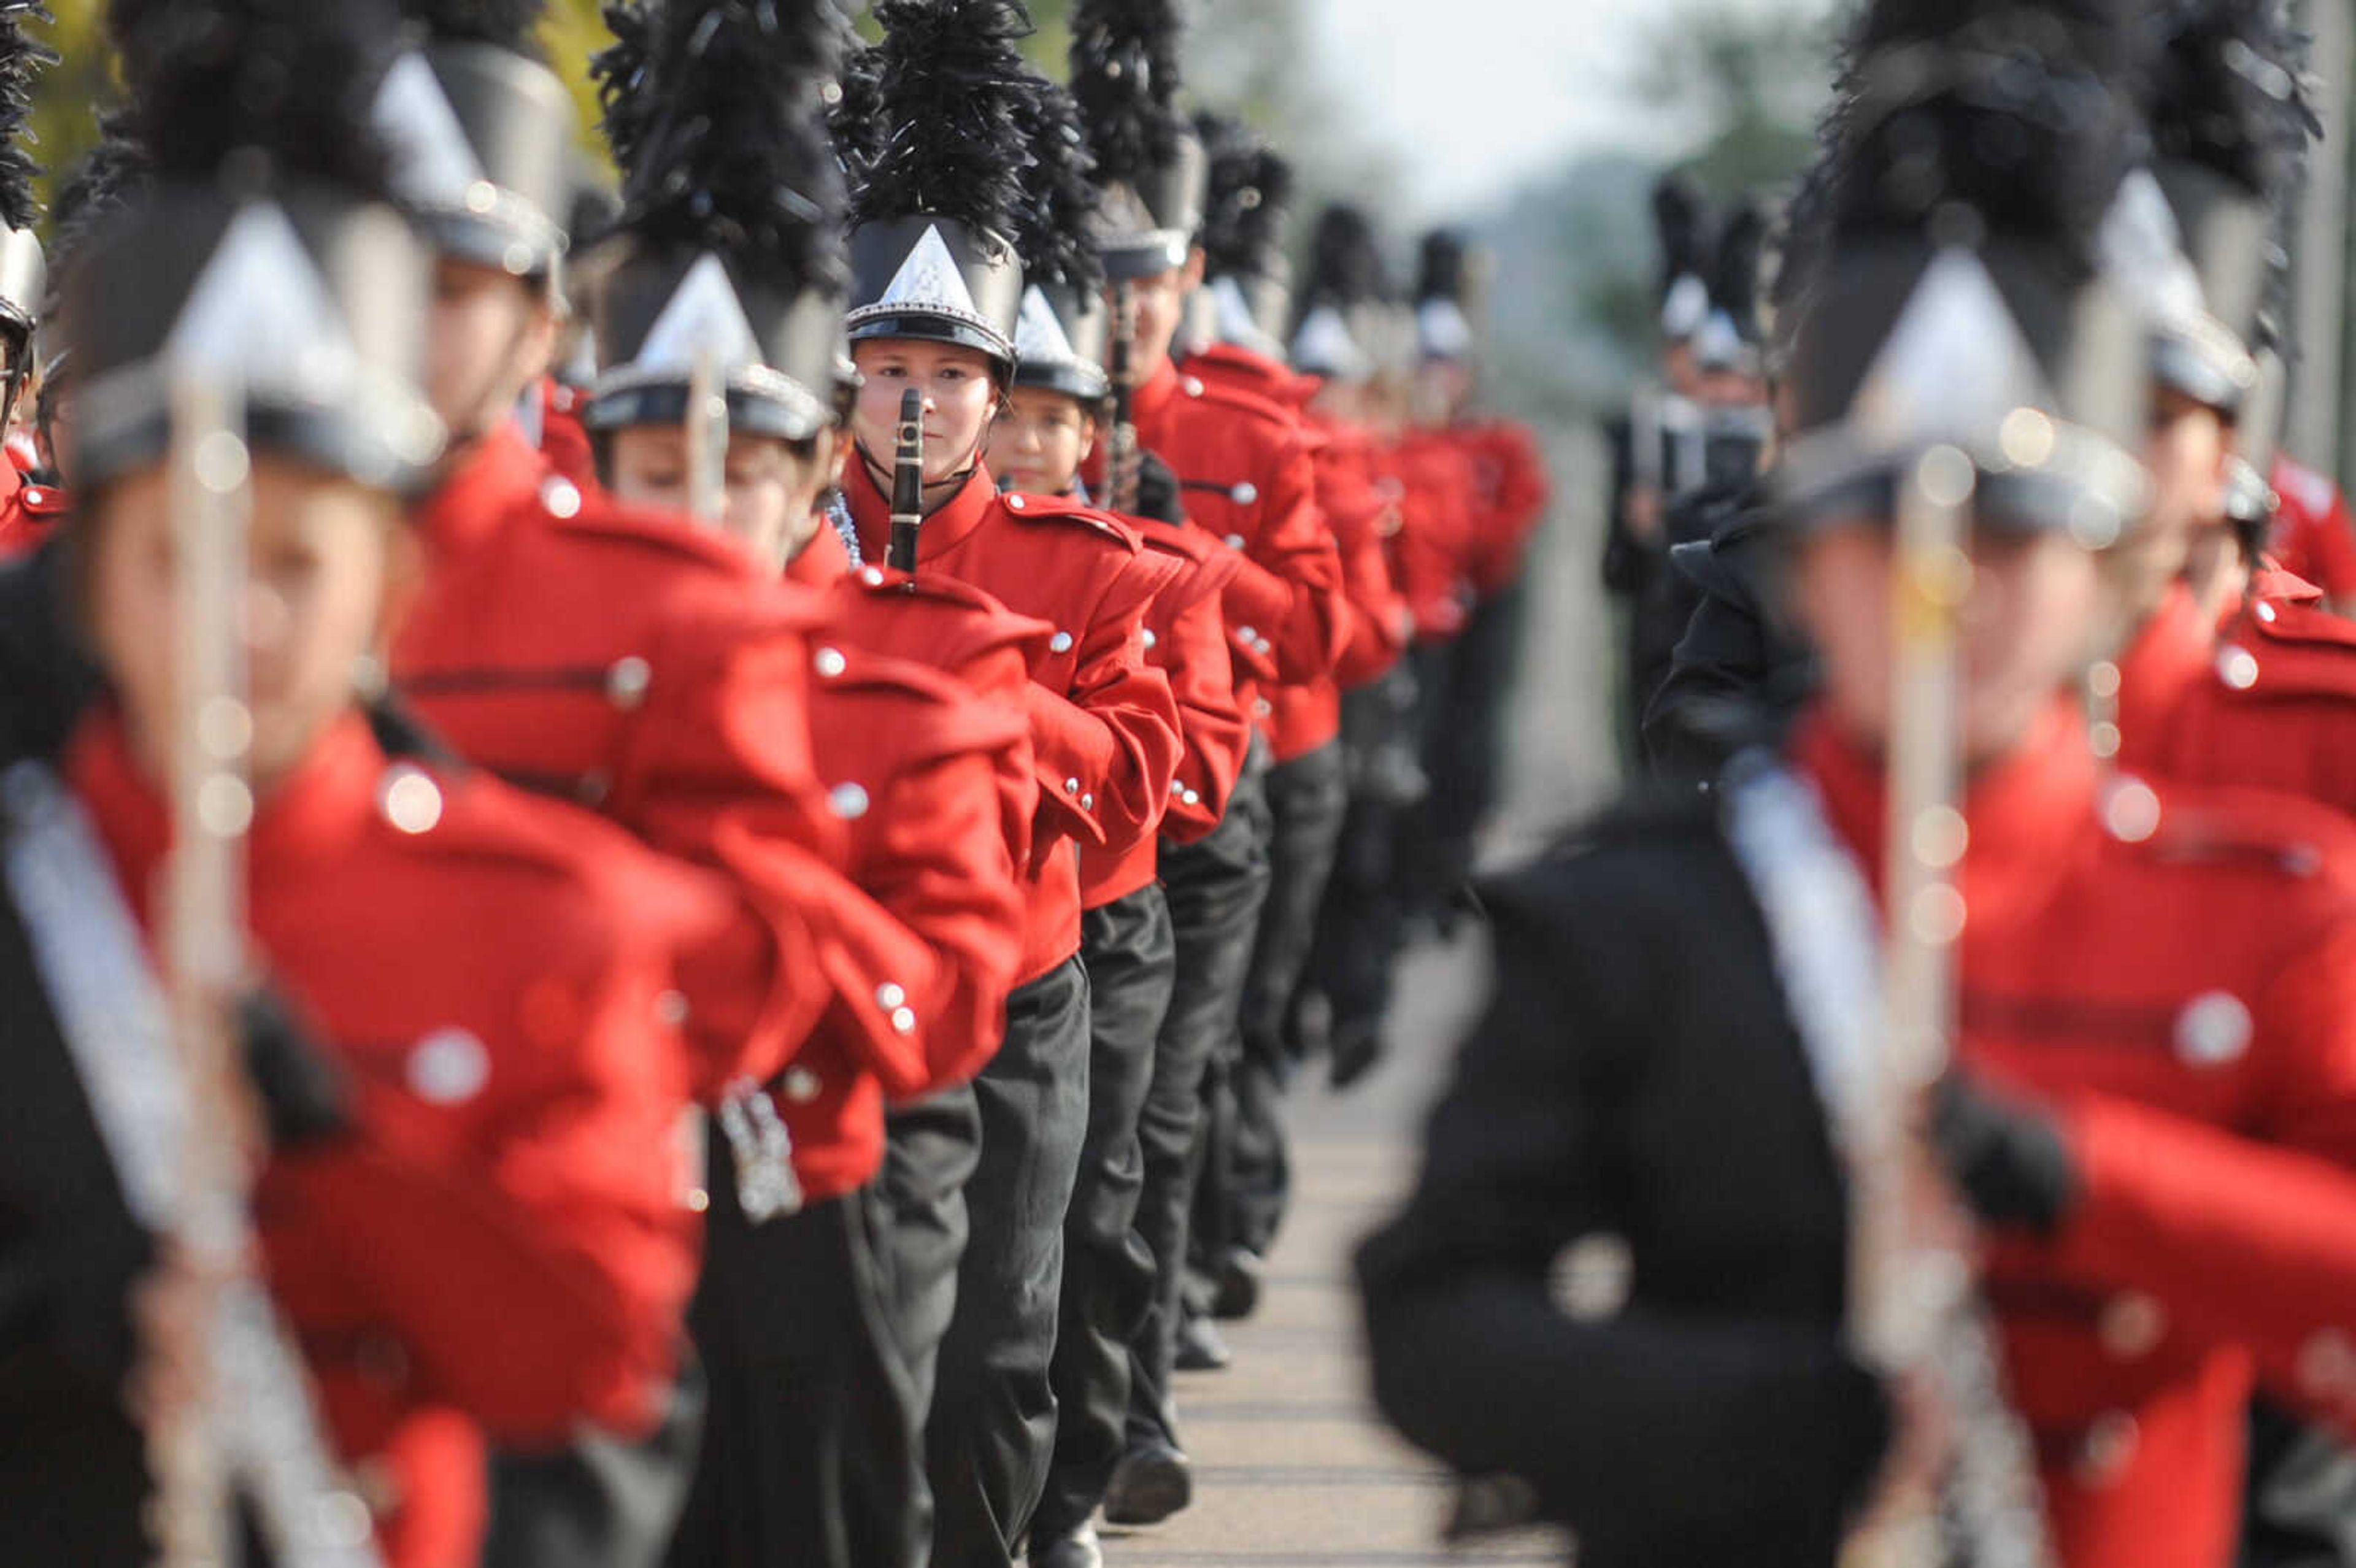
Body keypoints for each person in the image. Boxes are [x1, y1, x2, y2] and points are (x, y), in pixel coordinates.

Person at [1363, 3, 2356, 1566]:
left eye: (2010, 536)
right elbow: (1429, 1319)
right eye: (1879, 529)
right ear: (1801, 568)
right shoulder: (1638, 913)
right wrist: (1751, 1420)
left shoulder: (2262, 914)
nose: (1941, 589)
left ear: (2109, 567)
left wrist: (2092, 1178)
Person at [0, 2, 709, 1561]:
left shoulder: (552, 918)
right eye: (176, 556)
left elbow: (593, 1363)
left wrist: (330, 1152)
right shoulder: (37, 880)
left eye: (295, 562)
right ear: (90, 579)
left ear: (391, 582)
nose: (236, 622)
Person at [575, 5, 1031, 1565]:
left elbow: (954, 995)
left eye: (751, 468)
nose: (703, 504)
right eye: (657, 469)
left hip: (809, 1210)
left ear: (810, 462)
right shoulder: (519, 658)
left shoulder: (916, 677)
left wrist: (759, 870)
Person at [831, 5, 1184, 1561]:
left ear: (996, 391)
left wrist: (989, 699)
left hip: (1023, 978)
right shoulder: (781, 542)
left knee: (994, 1350)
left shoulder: (1081, 571)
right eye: (886, 368)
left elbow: (1141, 780)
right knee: (841, 1353)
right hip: (834, 979)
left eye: (947, 375)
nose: (915, 403)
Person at [982, 64, 1255, 1564]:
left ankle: (1085, 1475)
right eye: (997, 410)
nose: (1020, 442)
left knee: (1097, 1216)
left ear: (1088, 429)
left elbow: (1190, 772)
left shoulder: (1137, 563)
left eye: (1048, 417)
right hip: (947, 928)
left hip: (1105, 915)